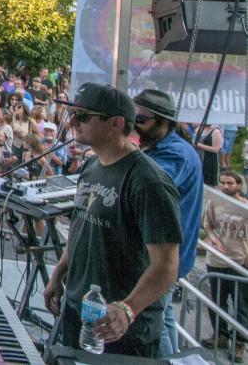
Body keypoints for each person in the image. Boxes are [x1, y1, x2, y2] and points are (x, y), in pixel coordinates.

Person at [44, 83, 182, 357]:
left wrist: (127, 309)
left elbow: (167, 266)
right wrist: (59, 273)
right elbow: (80, 227)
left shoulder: (149, 183)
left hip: (121, 331)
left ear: (116, 124)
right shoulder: (90, 167)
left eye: (83, 116)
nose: (73, 121)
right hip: (78, 315)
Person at [133, 88, 204, 357]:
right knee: (166, 315)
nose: (134, 125)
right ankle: (174, 359)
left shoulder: (176, 155)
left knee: (155, 323)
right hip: (165, 255)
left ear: (162, 123)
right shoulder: (158, 147)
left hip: (164, 257)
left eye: (140, 120)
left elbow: (145, 189)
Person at [201, 168, 248, 361]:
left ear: (239, 185)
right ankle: (220, 335)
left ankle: (239, 344)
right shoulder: (215, 202)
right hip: (216, 260)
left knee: (241, 306)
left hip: (238, 261)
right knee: (217, 302)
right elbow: (208, 225)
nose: (225, 186)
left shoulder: (244, 207)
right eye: (223, 182)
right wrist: (212, 239)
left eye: (230, 183)